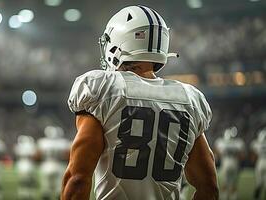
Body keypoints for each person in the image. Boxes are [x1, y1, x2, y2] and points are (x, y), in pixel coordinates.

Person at [62, 5, 218, 200]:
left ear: (119, 43)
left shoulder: (105, 90)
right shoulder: (189, 99)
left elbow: (77, 180)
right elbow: (209, 187)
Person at [38, 126, 71, 200]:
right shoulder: (63, 142)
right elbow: (67, 155)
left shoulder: (43, 142)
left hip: (46, 165)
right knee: (59, 189)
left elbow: (38, 155)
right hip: (59, 165)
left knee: (46, 188)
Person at [214, 127, 245, 200]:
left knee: (224, 184)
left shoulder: (221, 142)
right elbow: (242, 156)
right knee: (233, 185)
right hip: (234, 163)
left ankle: (223, 198)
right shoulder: (238, 142)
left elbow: (216, 154)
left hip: (225, 163)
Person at [14, 135, 39, 200]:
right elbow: (35, 156)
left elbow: (16, 154)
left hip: (21, 164)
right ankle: (30, 195)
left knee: (22, 183)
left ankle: (23, 195)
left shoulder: (19, 147)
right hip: (30, 164)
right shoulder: (31, 146)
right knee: (31, 182)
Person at [251, 128, 266, 200]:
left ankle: (257, 197)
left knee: (259, 183)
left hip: (260, 162)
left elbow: (254, 154)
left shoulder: (257, 144)